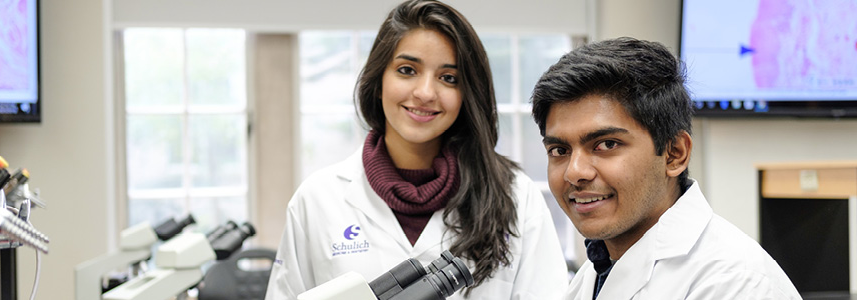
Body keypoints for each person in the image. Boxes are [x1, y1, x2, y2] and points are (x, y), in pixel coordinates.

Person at [265, 0, 568, 299]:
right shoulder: (317, 200)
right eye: (407, 70)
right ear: (379, 80)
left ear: (466, 94)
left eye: (448, 78)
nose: (425, 93)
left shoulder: (516, 196)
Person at [530, 37, 800, 300]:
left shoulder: (736, 283)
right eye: (559, 151)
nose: (574, 172)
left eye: (606, 144)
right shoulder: (596, 270)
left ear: (674, 154)